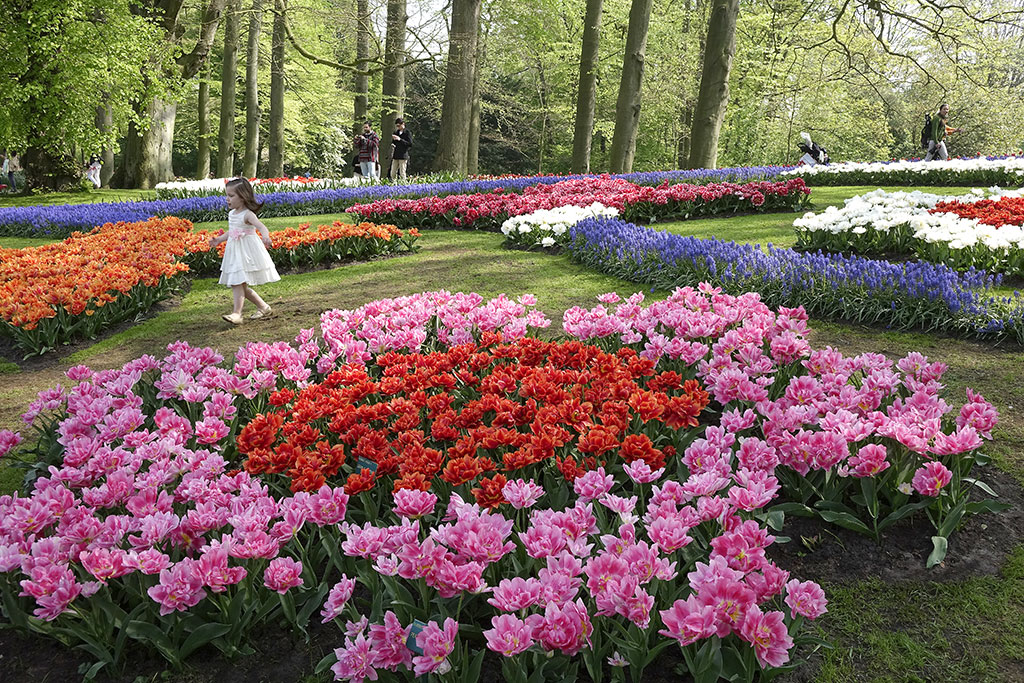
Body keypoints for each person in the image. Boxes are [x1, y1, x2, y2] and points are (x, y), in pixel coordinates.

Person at [208, 177, 280, 324]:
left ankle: (237, 314)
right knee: (239, 284)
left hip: (247, 252)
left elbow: (261, 227)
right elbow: (232, 231)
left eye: (231, 196)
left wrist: (265, 236)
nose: (227, 199)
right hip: (235, 252)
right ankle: (263, 307)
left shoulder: (248, 214)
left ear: (243, 197)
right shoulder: (232, 214)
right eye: (227, 195)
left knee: (237, 283)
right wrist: (219, 239)